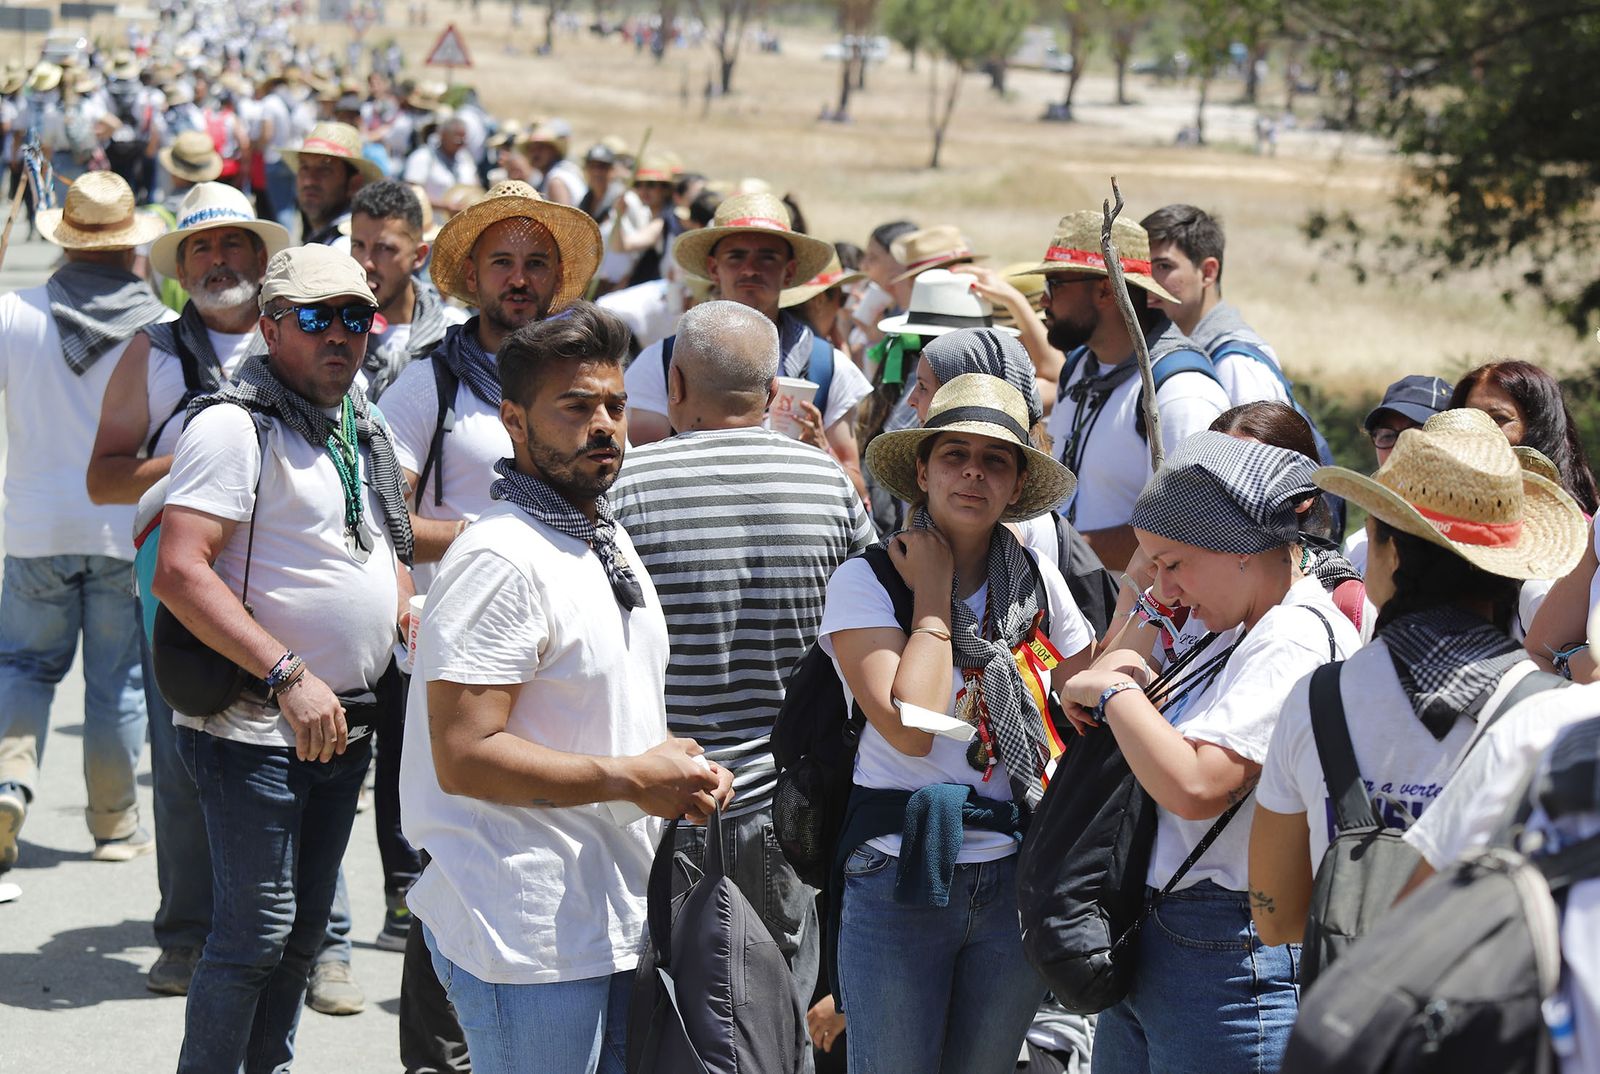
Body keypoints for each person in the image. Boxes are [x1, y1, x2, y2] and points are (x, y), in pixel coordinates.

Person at [400, 303, 732, 1074]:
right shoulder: (502, 560)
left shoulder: (598, 531)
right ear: (515, 421)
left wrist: (668, 761)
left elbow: (592, 706)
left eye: (614, 405)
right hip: (526, 931)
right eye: (576, 407)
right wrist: (629, 777)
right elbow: (465, 756)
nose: (605, 425)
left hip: (608, 913)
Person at [153, 244, 413, 1073]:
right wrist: (288, 673)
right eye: (315, 318)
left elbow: (374, 541)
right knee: (252, 937)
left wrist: (402, 603)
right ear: (270, 328)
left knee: (300, 938)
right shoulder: (233, 425)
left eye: (355, 317)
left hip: (340, 725)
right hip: (253, 725)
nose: (340, 335)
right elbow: (179, 570)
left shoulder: (357, 417)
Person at [382, 177, 601, 1073]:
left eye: (535, 262)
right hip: (452, 649)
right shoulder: (429, 379)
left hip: (553, 659)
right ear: (471, 275)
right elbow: (389, 519)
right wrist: (489, 537)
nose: (519, 278)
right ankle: (439, 1060)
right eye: (502, 262)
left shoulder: (581, 381)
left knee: (536, 851)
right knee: (451, 861)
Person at [610, 300, 876, 1033]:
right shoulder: (829, 488)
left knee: (666, 1015)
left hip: (662, 798)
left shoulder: (624, 489)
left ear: (674, 385)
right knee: (772, 1013)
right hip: (788, 807)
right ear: (770, 394)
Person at [1058, 431, 1360, 1074]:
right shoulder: (1238, 623)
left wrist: (1117, 692)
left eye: (1173, 563)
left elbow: (1198, 785)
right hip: (1174, 936)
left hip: (1224, 956)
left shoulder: (1294, 640)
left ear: (1239, 549)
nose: (1162, 589)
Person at [821, 374, 1094, 1074]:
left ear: (1014, 485)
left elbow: (1084, 700)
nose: (973, 471)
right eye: (954, 454)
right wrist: (935, 595)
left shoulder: (1039, 582)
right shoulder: (869, 580)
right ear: (922, 469)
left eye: (995, 460)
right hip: (900, 867)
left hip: (1012, 873)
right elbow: (911, 727)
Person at [1248, 408, 1586, 950]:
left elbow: (1277, 919)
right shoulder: (1564, 717)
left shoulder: (1316, 701)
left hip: (1349, 1026)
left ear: (1391, 548)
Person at [84, 181, 288, 995]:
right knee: (181, 766)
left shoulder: (297, 340)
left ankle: (303, 940)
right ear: (181, 267)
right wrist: (207, 455)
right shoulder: (153, 351)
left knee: (298, 756)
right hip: (176, 585)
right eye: (200, 247)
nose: (216, 259)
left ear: (261, 257)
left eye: (231, 243)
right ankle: (183, 935)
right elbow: (103, 477)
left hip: (281, 577)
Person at [0, 172, 170, 876]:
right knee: (117, 683)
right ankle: (114, 825)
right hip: (120, 526)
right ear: (129, 242)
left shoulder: (16, 313)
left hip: (35, 527)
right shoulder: (159, 327)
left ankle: (9, 784)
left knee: (24, 667)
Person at [625, 192, 873, 497]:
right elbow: (638, 475)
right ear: (714, 268)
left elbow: (858, 490)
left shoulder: (830, 368)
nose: (750, 269)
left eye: (767, 258)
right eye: (736, 256)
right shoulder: (660, 363)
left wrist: (822, 454)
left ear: (790, 271)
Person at [1022, 211, 1231, 572]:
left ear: (1106, 289)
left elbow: (1181, 529)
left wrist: (1053, 549)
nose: (1043, 301)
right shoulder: (1079, 366)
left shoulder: (1180, 393)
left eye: (1054, 284)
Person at [1140, 204, 1291, 407]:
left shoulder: (1237, 366)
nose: (1145, 280)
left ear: (1208, 272)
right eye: (1141, 267)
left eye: (1163, 266)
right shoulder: (1186, 347)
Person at [346, 178, 466, 400]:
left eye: (384, 248)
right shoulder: (330, 330)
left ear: (419, 256)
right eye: (358, 245)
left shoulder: (453, 336)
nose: (367, 263)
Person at [1451, 359, 1599, 516]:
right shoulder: (1440, 510)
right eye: (1471, 417)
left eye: (1499, 418)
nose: (1480, 431)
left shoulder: (1580, 533)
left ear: (1539, 428)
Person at [1342, 374, 1455, 575]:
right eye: (1387, 435)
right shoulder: (1359, 546)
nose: (1400, 447)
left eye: (1417, 433)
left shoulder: (1468, 544)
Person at [282, 120, 383, 246]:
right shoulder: (322, 235)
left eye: (325, 170)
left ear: (354, 184)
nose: (309, 180)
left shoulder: (346, 245)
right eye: (304, 168)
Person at [402, 115, 477, 214]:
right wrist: (444, 206)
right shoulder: (423, 157)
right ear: (443, 136)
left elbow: (476, 188)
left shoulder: (465, 158)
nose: (461, 144)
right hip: (433, 224)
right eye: (457, 140)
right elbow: (411, 193)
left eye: (464, 140)